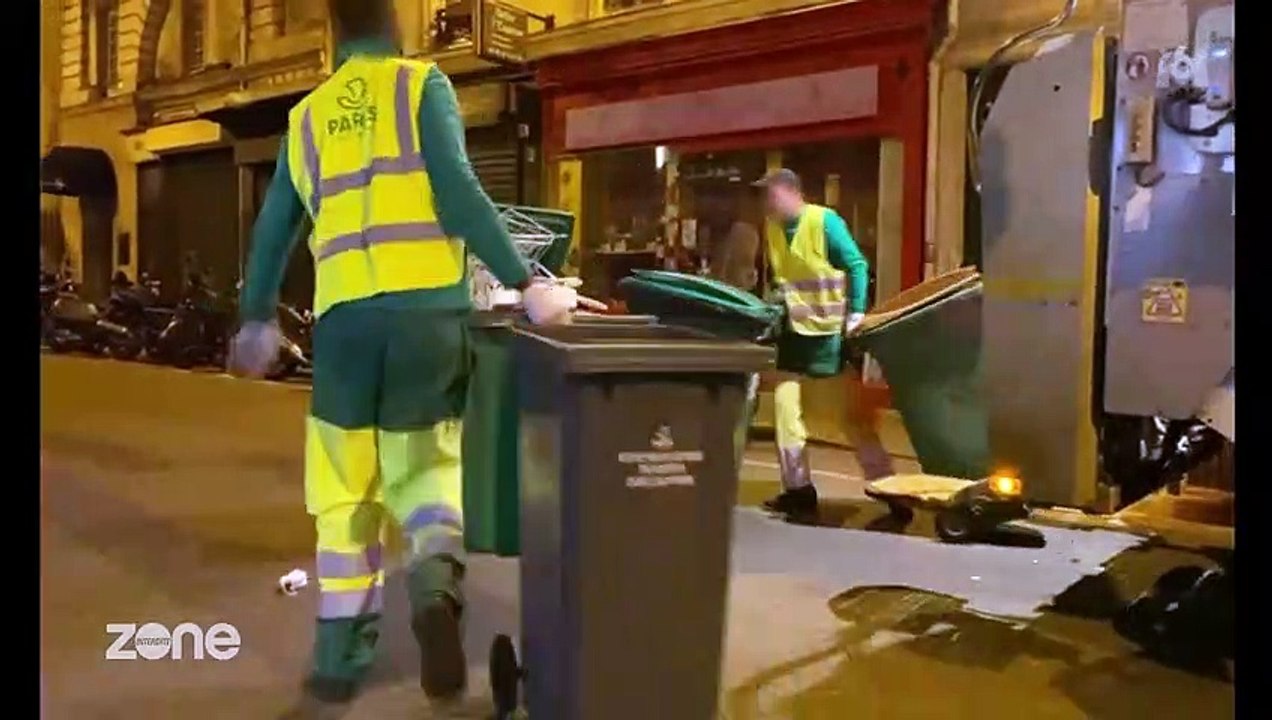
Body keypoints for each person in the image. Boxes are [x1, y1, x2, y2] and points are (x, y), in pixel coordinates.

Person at [228, 0, 576, 705]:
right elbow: (458, 192)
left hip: (344, 328)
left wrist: (257, 316)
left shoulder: (307, 118)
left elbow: (272, 229)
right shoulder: (421, 86)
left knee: (344, 492)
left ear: (334, 34)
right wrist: (526, 280)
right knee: (424, 475)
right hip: (426, 320)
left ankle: (337, 660)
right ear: (398, 27)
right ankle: (433, 589)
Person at [752, 168, 893, 521]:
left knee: (850, 419)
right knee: (786, 412)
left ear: (792, 193)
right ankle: (798, 489)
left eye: (771, 195)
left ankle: (890, 488)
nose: (766, 203)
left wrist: (856, 312)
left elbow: (856, 265)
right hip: (793, 334)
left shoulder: (824, 222)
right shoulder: (772, 228)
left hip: (828, 336)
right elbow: (784, 279)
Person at [700, 193, 760, 291]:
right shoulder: (709, 233)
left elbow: (749, 265)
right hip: (725, 287)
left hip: (735, 288)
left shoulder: (745, 232)